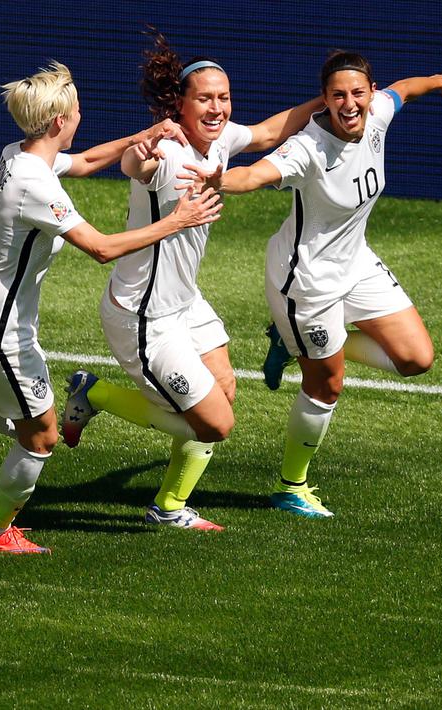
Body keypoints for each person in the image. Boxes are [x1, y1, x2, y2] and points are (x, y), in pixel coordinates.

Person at [0, 61, 223, 553]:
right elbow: (101, 248)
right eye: (77, 109)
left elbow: (84, 162)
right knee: (40, 437)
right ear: (60, 121)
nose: (81, 114)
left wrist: (149, 132)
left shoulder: (21, 154)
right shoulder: (35, 185)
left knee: (24, 419)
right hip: (0, 332)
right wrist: (177, 220)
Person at [187, 51, 442, 518]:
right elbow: (256, 173)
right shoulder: (307, 148)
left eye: (357, 92)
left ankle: (291, 341)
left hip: (355, 263)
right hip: (307, 282)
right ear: (324, 99)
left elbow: (403, 90)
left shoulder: (377, 111)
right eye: (338, 94)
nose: (349, 103)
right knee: (327, 384)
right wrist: (220, 178)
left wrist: (436, 80)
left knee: (416, 359)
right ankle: (290, 485)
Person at [60, 33, 323, 531]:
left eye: (223, 97)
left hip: (185, 303)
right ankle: (94, 395)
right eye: (205, 98)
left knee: (225, 391)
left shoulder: (221, 141)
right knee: (214, 423)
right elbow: (133, 165)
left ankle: (169, 506)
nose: (217, 107)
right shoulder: (169, 154)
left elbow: (269, 132)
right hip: (142, 316)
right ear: (179, 105)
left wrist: (328, 101)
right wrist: (146, 147)